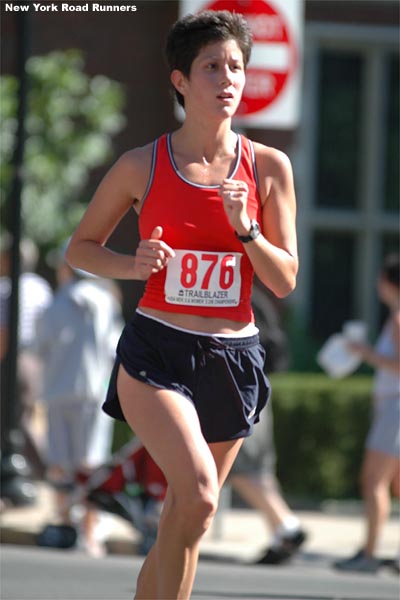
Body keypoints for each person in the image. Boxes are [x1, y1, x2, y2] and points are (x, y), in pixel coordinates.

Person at [66, 10, 298, 599]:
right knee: (196, 492)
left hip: (233, 357)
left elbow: (285, 279)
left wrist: (247, 230)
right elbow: (81, 248)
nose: (228, 79)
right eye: (212, 66)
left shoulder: (269, 168)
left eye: (237, 67)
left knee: (186, 518)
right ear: (180, 81)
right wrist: (133, 264)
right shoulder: (142, 164)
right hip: (157, 351)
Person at [34, 252, 123, 556]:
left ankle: (63, 525)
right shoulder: (105, 301)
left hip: (58, 390)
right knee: (92, 464)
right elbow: (115, 349)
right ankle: (90, 533)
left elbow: (39, 345)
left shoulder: (56, 302)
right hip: (93, 394)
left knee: (60, 463)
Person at [334, 254, 400, 574]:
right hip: (391, 406)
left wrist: (365, 353)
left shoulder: (399, 318)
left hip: (395, 407)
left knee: (373, 481)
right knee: (394, 485)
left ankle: (370, 554)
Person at [0, 234, 53, 480]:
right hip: (38, 360)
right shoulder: (41, 287)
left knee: (14, 419)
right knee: (29, 416)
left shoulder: (7, 288)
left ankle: (43, 471)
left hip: (14, 360)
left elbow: (4, 332)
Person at [229, 402, 307, 565]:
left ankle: (286, 527)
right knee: (257, 471)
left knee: (239, 469)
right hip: (253, 394)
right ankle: (282, 529)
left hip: (239, 396)